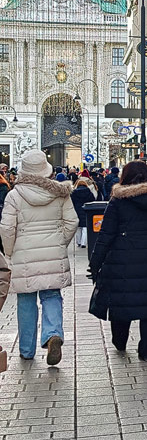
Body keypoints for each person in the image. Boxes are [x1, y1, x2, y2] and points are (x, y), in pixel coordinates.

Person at [88, 161, 147, 361]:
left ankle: (120, 342)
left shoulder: (118, 201)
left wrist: (95, 263)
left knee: (122, 303)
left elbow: (106, 235)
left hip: (121, 260)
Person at [0, 149, 78, 365]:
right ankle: (53, 334)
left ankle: (26, 350)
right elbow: (73, 222)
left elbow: (6, 228)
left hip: (23, 254)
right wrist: (59, 242)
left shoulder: (14, 196)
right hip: (53, 252)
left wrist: (10, 252)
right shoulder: (61, 193)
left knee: (25, 300)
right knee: (52, 295)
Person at [71, 177, 98, 249]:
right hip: (85, 209)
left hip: (77, 210)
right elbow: (92, 200)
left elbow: (71, 202)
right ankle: (83, 242)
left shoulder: (74, 192)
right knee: (85, 227)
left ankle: (78, 242)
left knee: (78, 227)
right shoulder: (88, 191)